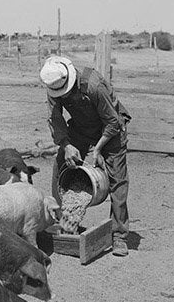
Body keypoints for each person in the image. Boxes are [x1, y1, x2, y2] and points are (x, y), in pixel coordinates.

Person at [39, 55, 131, 256]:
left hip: (111, 130)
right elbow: (55, 119)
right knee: (61, 165)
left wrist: (97, 149)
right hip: (81, 128)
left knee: (117, 180)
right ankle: (66, 221)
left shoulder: (94, 86)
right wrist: (66, 145)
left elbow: (113, 122)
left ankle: (119, 235)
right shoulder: (54, 86)